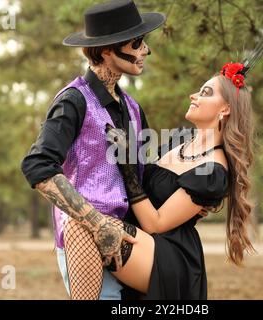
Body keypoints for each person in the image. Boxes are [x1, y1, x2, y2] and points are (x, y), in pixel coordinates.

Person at [65, 61, 257, 299]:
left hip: (168, 254)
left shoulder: (213, 170)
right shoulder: (179, 139)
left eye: (205, 93)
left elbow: (155, 224)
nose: (194, 95)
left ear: (225, 109)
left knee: (82, 224)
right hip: (142, 241)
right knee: (78, 224)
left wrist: (127, 167)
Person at [20, 0, 165, 300]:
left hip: (133, 244)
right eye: (137, 42)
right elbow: (38, 166)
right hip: (85, 241)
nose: (145, 51)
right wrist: (98, 225)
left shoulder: (134, 109)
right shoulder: (73, 101)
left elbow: (145, 177)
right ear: (108, 49)